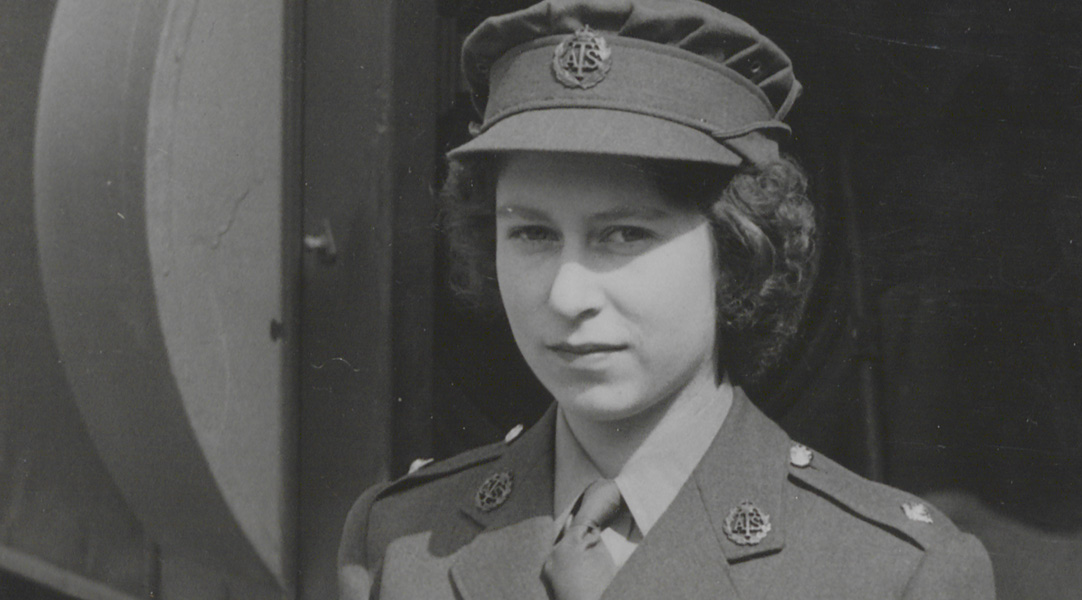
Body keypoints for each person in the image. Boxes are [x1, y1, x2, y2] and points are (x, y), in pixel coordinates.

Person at [338, 0, 996, 598]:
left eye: (623, 234)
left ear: (737, 251)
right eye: (533, 233)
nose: (567, 294)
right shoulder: (400, 546)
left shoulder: (891, 574)